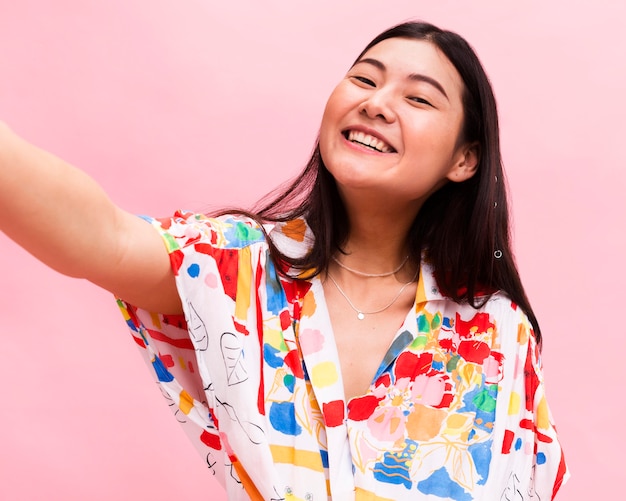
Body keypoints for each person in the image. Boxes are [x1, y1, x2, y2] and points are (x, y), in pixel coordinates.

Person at [0, 20, 568, 501]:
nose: (376, 102)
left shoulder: (494, 330)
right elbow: (103, 236)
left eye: (417, 98)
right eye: (364, 80)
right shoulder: (238, 266)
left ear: (465, 159)